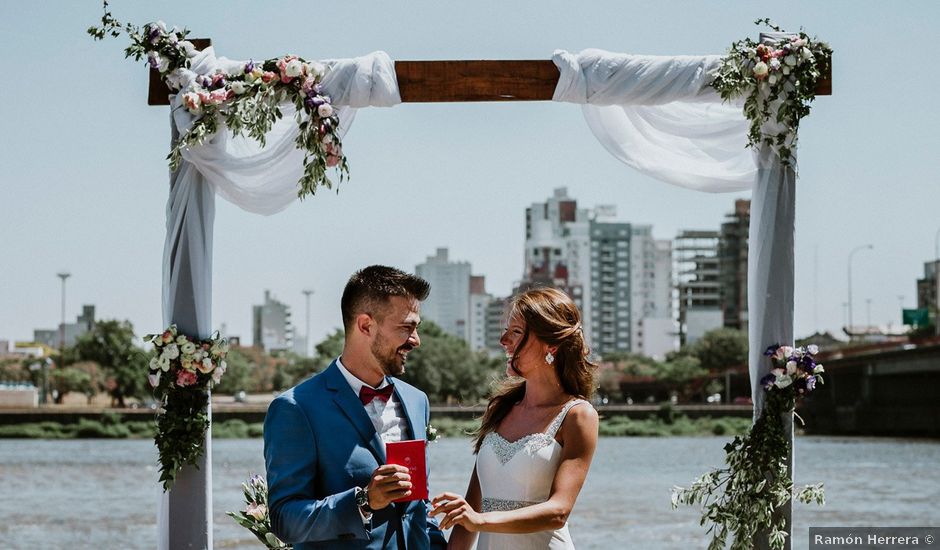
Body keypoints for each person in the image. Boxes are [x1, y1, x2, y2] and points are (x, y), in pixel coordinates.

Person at [264, 265, 447, 549]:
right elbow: (284, 520)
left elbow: (417, 507)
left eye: (416, 328)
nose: (416, 340)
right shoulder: (296, 408)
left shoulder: (416, 400)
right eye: (406, 327)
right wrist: (364, 501)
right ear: (365, 325)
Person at [430, 287, 599, 550]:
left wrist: (480, 521)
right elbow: (471, 507)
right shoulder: (498, 408)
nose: (503, 340)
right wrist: (470, 522)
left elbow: (558, 511)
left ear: (551, 345)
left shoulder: (578, 415)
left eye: (516, 332)